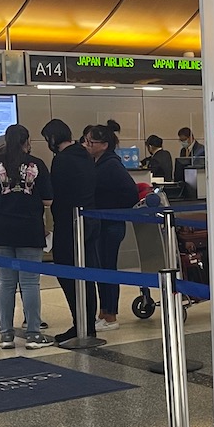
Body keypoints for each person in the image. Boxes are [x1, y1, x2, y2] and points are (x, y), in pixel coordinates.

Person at [0, 124, 55, 350]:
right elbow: (48, 201)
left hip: (0, 228)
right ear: (26, 141)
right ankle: (32, 334)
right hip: (29, 228)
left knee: (6, 283)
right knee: (30, 283)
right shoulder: (37, 164)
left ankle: (6, 335)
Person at [42, 118, 99, 342]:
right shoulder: (85, 155)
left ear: (53, 139)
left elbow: (55, 193)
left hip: (69, 223)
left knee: (67, 273)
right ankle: (88, 323)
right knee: (86, 275)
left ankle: (80, 323)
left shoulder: (62, 160)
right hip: (90, 220)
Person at [86, 123, 139, 329]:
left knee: (108, 268)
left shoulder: (112, 165)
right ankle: (104, 310)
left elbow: (130, 193)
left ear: (104, 144)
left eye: (92, 141)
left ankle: (111, 315)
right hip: (101, 223)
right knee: (101, 268)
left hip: (111, 224)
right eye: (87, 141)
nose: (88, 145)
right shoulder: (98, 163)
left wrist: (114, 208)